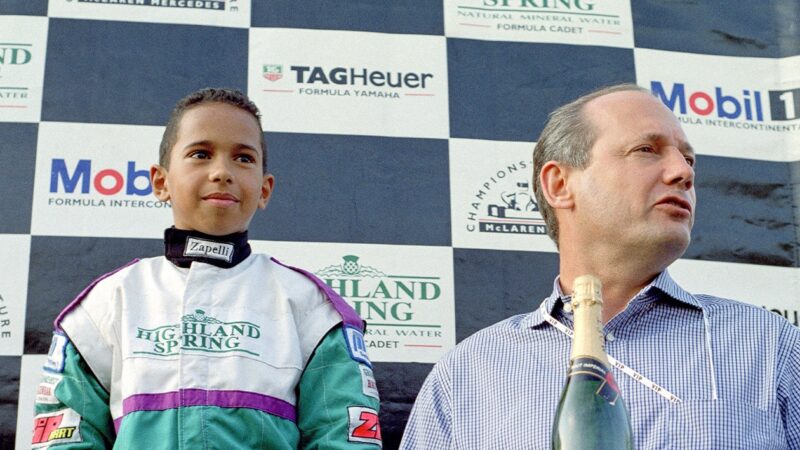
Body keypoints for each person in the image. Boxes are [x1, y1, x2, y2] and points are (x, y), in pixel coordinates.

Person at [400, 84, 800, 449]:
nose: (684, 172)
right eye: (646, 149)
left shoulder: (768, 345)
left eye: (688, 158)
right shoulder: (468, 373)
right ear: (559, 184)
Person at [32, 88, 382, 449]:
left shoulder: (311, 307)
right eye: (201, 154)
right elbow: (65, 440)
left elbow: (344, 438)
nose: (221, 172)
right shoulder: (106, 304)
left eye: (243, 158)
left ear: (264, 190)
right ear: (160, 181)